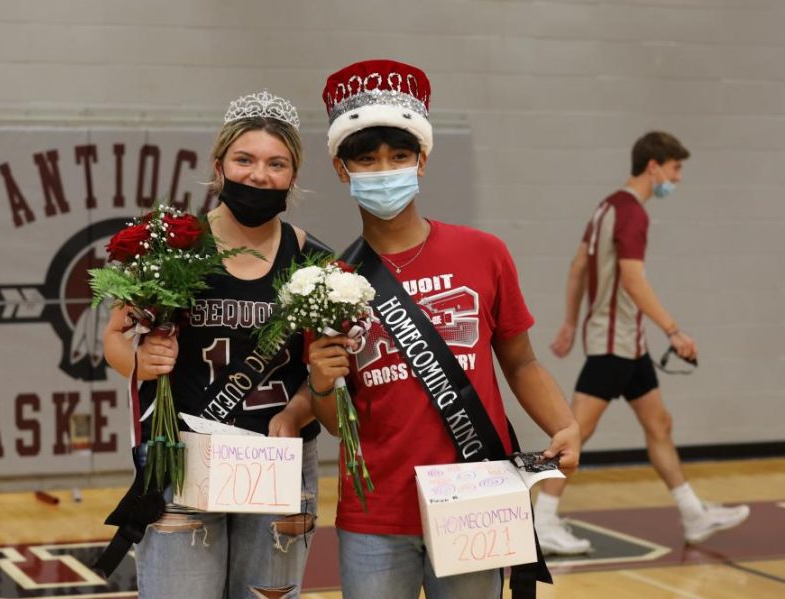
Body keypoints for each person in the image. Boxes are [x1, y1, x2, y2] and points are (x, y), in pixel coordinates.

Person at [307, 59, 581, 599]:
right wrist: (319, 382)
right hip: (374, 512)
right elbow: (337, 425)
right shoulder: (326, 284)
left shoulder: (484, 253)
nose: (384, 169)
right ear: (343, 170)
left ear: (422, 161)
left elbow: (521, 362)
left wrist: (564, 424)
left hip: (476, 497)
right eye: (366, 159)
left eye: (399, 156)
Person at [102, 90, 322, 599]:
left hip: (277, 465)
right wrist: (138, 359)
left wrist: (298, 412)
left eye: (276, 163)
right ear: (219, 165)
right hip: (182, 456)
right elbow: (113, 340)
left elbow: (326, 373)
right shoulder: (174, 246)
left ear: (293, 175)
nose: (258, 175)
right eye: (244, 159)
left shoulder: (313, 259)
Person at [534, 131, 750, 555]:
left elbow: (579, 265)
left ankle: (693, 515)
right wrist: (673, 330)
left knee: (659, 425)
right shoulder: (633, 213)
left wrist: (569, 322)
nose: (678, 178)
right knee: (574, 433)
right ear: (654, 166)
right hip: (613, 345)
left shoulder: (606, 206)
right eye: (676, 168)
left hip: (629, 347)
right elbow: (632, 279)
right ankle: (541, 521)